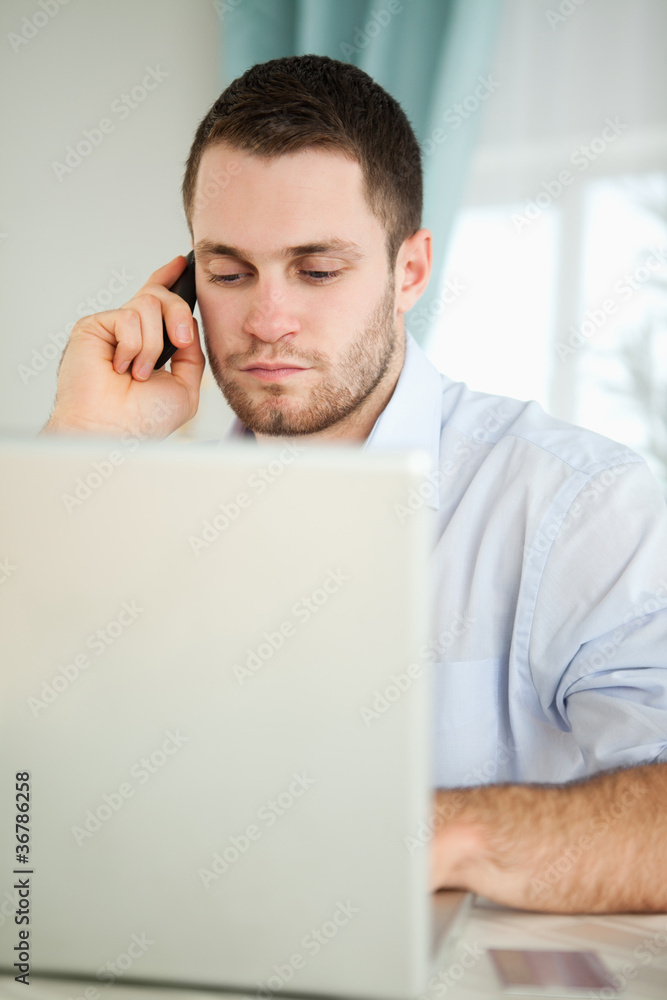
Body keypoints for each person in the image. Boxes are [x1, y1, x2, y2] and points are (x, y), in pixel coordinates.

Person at [42, 54, 667, 914]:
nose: (267, 321)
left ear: (409, 271)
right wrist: (82, 453)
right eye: (228, 273)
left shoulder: (580, 504)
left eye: (317, 270)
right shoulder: (140, 517)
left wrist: (429, 834)